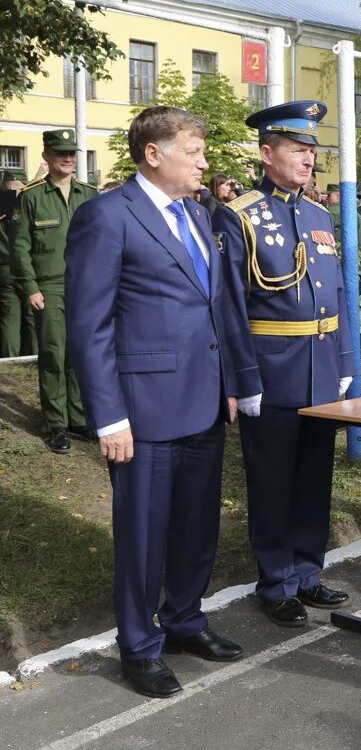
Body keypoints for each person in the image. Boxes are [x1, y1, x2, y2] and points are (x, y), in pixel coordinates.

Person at [64, 105, 249, 698]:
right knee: (143, 534)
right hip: (143, 412)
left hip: (202, 402)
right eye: (192, 152)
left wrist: (228, 385)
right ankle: (139, 647)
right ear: (154, 153)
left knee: (197, 526)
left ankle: (185, 620)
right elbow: (89, 326)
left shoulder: (199, 215)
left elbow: (213, 309)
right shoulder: (107, 216)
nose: (204, 162)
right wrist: (110, 416)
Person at [214, 100, 354, 628]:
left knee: (315, 475)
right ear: (266, 152)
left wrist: (343, 358)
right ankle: (275, 580)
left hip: (320, 366)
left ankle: (307, 570)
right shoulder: (238, 214)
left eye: (312, 149)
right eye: (298, 149)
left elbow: (336, 292)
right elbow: (229, 303)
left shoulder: (318, 215)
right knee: (272, 479)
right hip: (272, 369)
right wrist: (243, 376)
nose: (309, 158)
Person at [9, 129, 97, 452]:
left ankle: (77, 417)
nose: (68, 158)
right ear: (46, 156)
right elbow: (20, 249)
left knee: (79, 354)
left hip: (84, 288)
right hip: (49, 287)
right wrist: (30, 287)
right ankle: (56, 423)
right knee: (52, 354)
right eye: (61, 152)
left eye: (72, 153)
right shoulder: (31, 196)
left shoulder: (89, 194)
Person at [1, 170, 37, 358]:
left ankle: (9, 359)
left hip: (4, 267)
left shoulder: (6, 201)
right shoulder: (21, 201)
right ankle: (36, 356)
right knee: (33, 315)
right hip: (24, 265)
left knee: (10, 317)